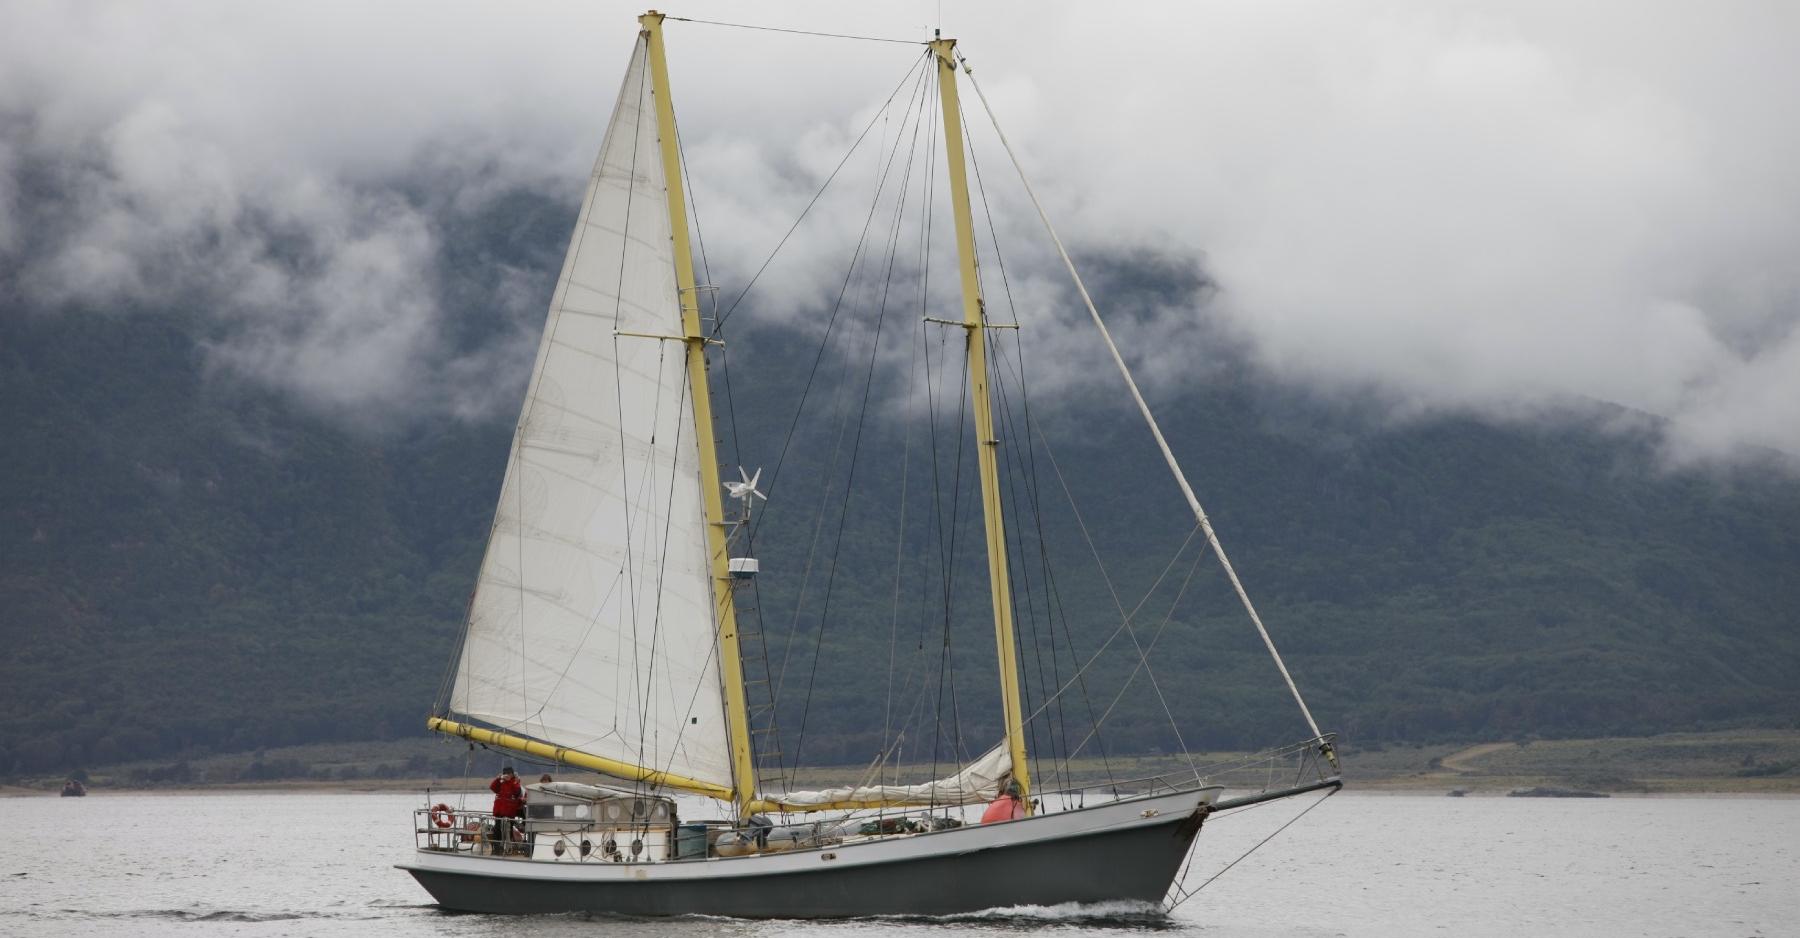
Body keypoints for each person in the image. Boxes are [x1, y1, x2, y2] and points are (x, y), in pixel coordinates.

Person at [489, 766, 527, 854]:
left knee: (508, 830)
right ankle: (496, 849)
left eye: (509, 774)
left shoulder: (515, 782)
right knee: (497, 829)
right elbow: (492, 788)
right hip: (499, 811)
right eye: (505, 773)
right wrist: (497, 779)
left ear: (512, 774)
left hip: (509, 812)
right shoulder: (500, 782)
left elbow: (517, 792)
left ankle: (509, 849)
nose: (507, 775)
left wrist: (511, 781)